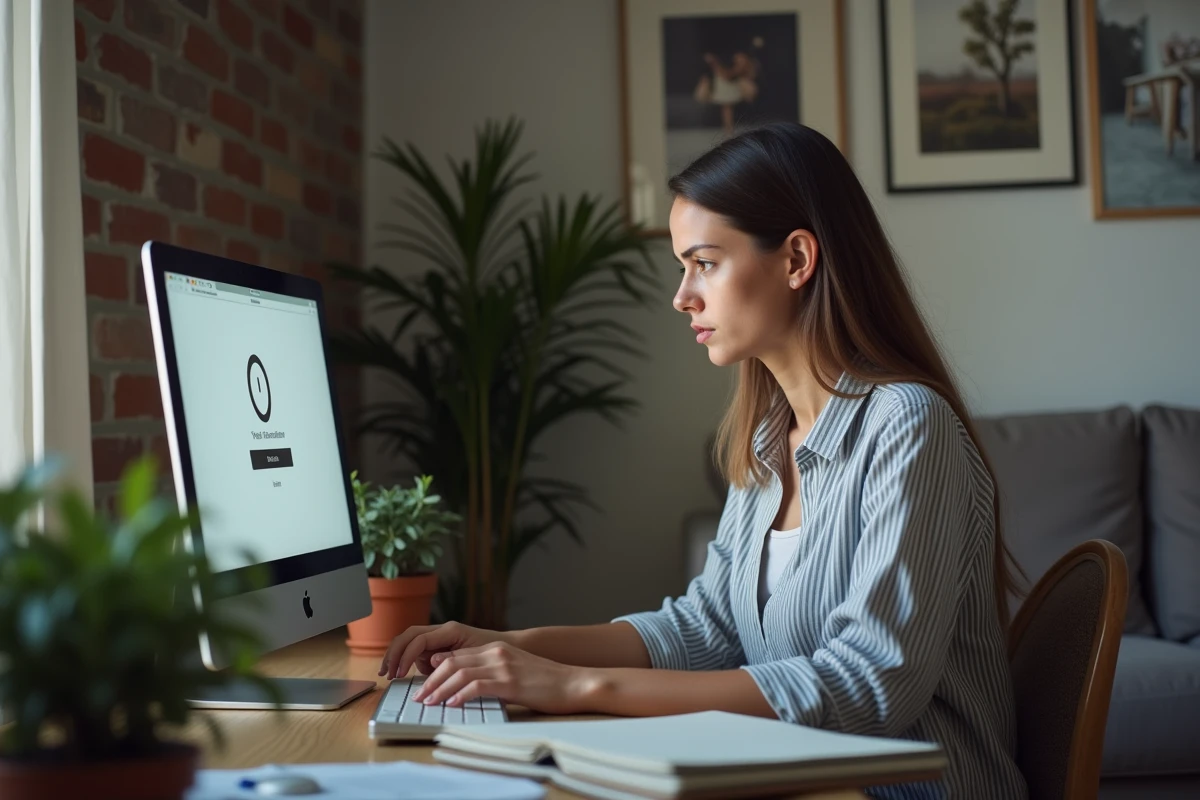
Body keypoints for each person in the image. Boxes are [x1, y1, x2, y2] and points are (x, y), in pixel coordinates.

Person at [379, 122, 1029, 800]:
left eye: (705, 263)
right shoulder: (766, 440)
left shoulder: (907, 425)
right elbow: (705, 628)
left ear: (797, 260)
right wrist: (511, 645)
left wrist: (574, 686)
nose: (682, 296)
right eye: (684, 267)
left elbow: (870, 684)